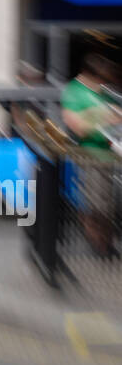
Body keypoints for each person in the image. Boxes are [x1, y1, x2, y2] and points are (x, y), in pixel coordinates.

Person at [61, 53, 122, 257]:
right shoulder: (74, 92)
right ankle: (99, 245)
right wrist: (105, 118)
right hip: (90, 155)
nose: (104, 82)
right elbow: (78, 127)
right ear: (90, 74)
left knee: (107, 204)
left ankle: (106, 243)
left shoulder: (100, 92)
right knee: (97, 204)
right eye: (101, 78)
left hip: (109, 155)